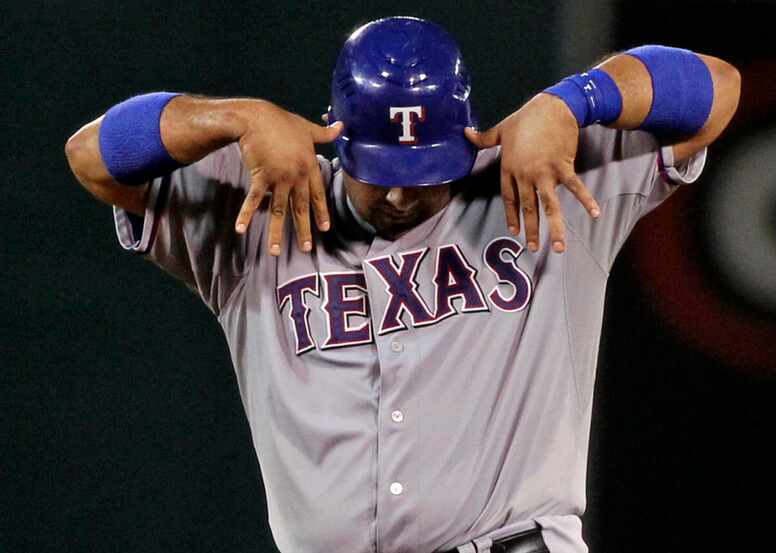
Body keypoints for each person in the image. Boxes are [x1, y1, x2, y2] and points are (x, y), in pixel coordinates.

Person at [64, 16, 740, 553]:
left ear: (464, 134)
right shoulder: (261, 208)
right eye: (379, 165)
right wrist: (233, 118)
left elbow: (718, 87)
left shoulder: (540, 179)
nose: (395, 191)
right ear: (336, 132)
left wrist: (576, 101)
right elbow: (91, 156)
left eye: (422, 169)